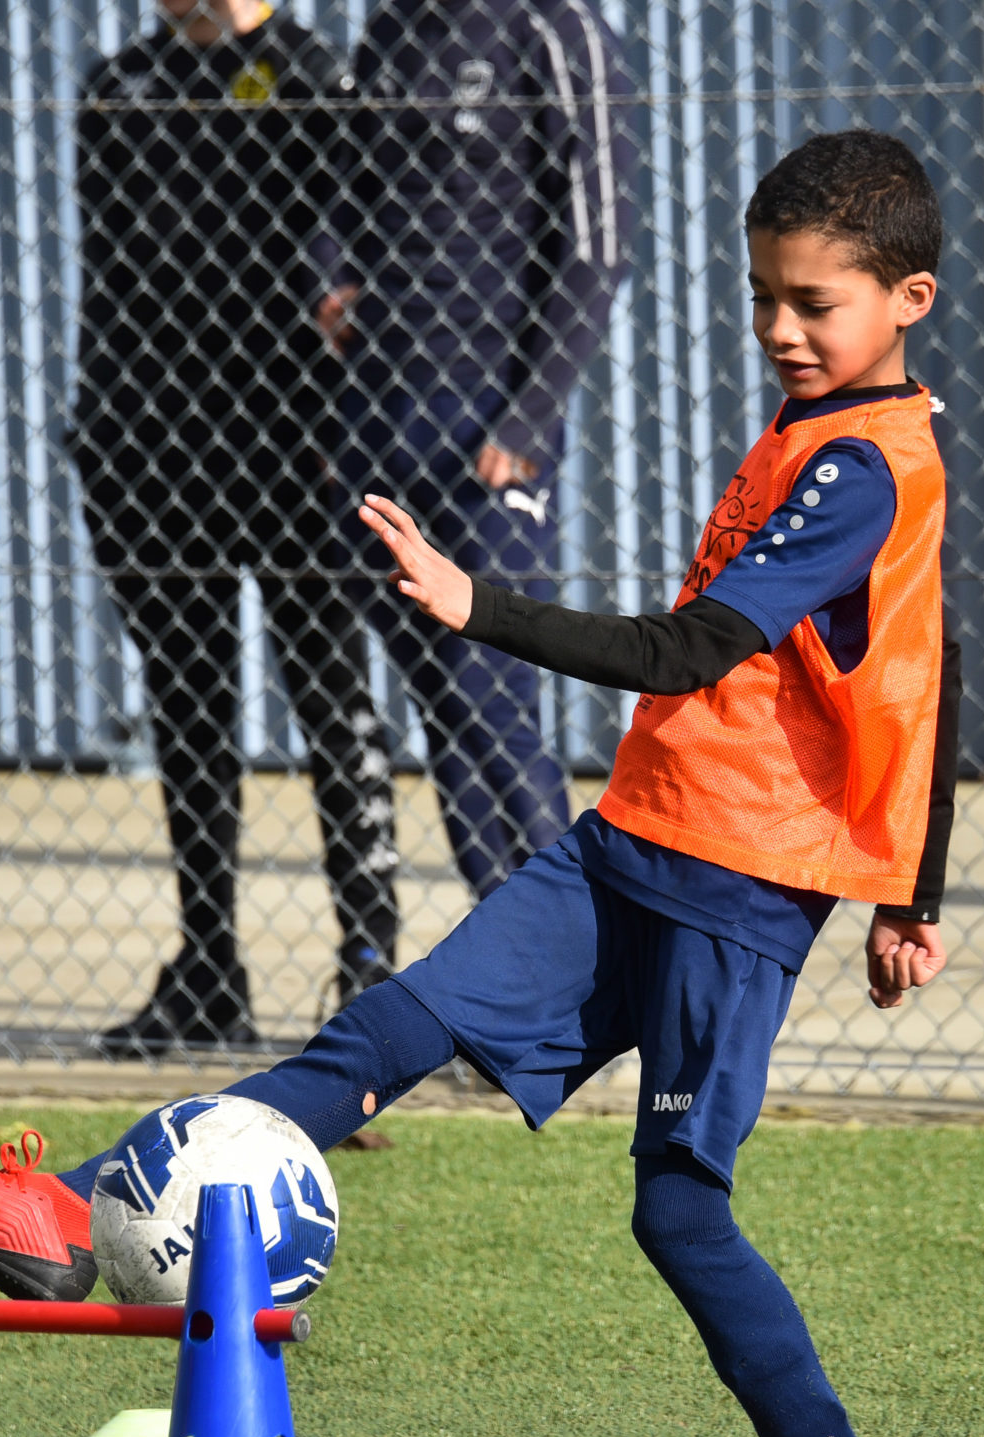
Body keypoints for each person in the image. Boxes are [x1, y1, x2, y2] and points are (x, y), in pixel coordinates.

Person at [0, 130, 963, 1437]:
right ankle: (65, 1208)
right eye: (764, 294)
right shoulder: (810, 428)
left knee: (679, 1211)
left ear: (908, 299)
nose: (779, 326)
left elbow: (694, 652)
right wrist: (915, 892)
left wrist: (472, 604)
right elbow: (925, 664)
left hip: (742, 884)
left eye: (813, 303)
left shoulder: (869, 466)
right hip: (641, 833)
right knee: (400, 1019)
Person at [73, 0, 400, 1053]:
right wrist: (100, 432)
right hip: (154, 451)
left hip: (292, 447)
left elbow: (355, 258)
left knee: (330, 696)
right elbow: (110, 286)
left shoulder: (314, 78)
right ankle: (209, 969)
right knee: (188, 708)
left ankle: (369, 963)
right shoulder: (121, 87)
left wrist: (349, 430)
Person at [317, 0, 637, 898]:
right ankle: (504, 950)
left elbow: (599, 245)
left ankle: (577, 937)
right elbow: (343, 187)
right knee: (441, 696)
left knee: (490, 688)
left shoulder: (556, 30)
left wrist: (530, 414)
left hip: (491, 417)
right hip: (382, 413)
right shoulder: (392, 28)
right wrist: (330, 278)